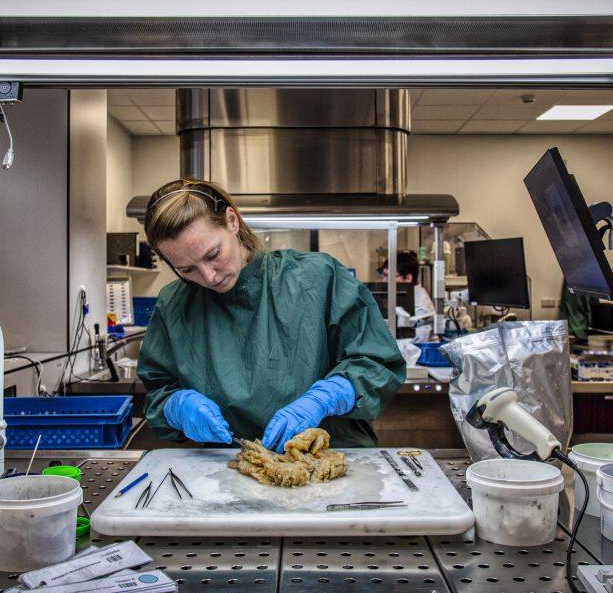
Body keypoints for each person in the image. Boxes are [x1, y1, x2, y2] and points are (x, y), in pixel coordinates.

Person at [136, 179, 406, 452]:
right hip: (228, 471)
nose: (208, 276)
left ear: (232, 221)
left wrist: (328, 396)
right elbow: (158, 393)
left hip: (333, 460)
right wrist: (175, 407)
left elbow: (376, 363)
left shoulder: (317, 278)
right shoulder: (174, 305)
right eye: (187, 269)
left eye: (213, 254)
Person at [379, 250, 435, 341]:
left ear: (408, 278)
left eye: (389, 276)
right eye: (383, 275)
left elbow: (418, 342)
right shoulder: (403, 296)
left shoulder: (420, 305)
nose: (384, 281)